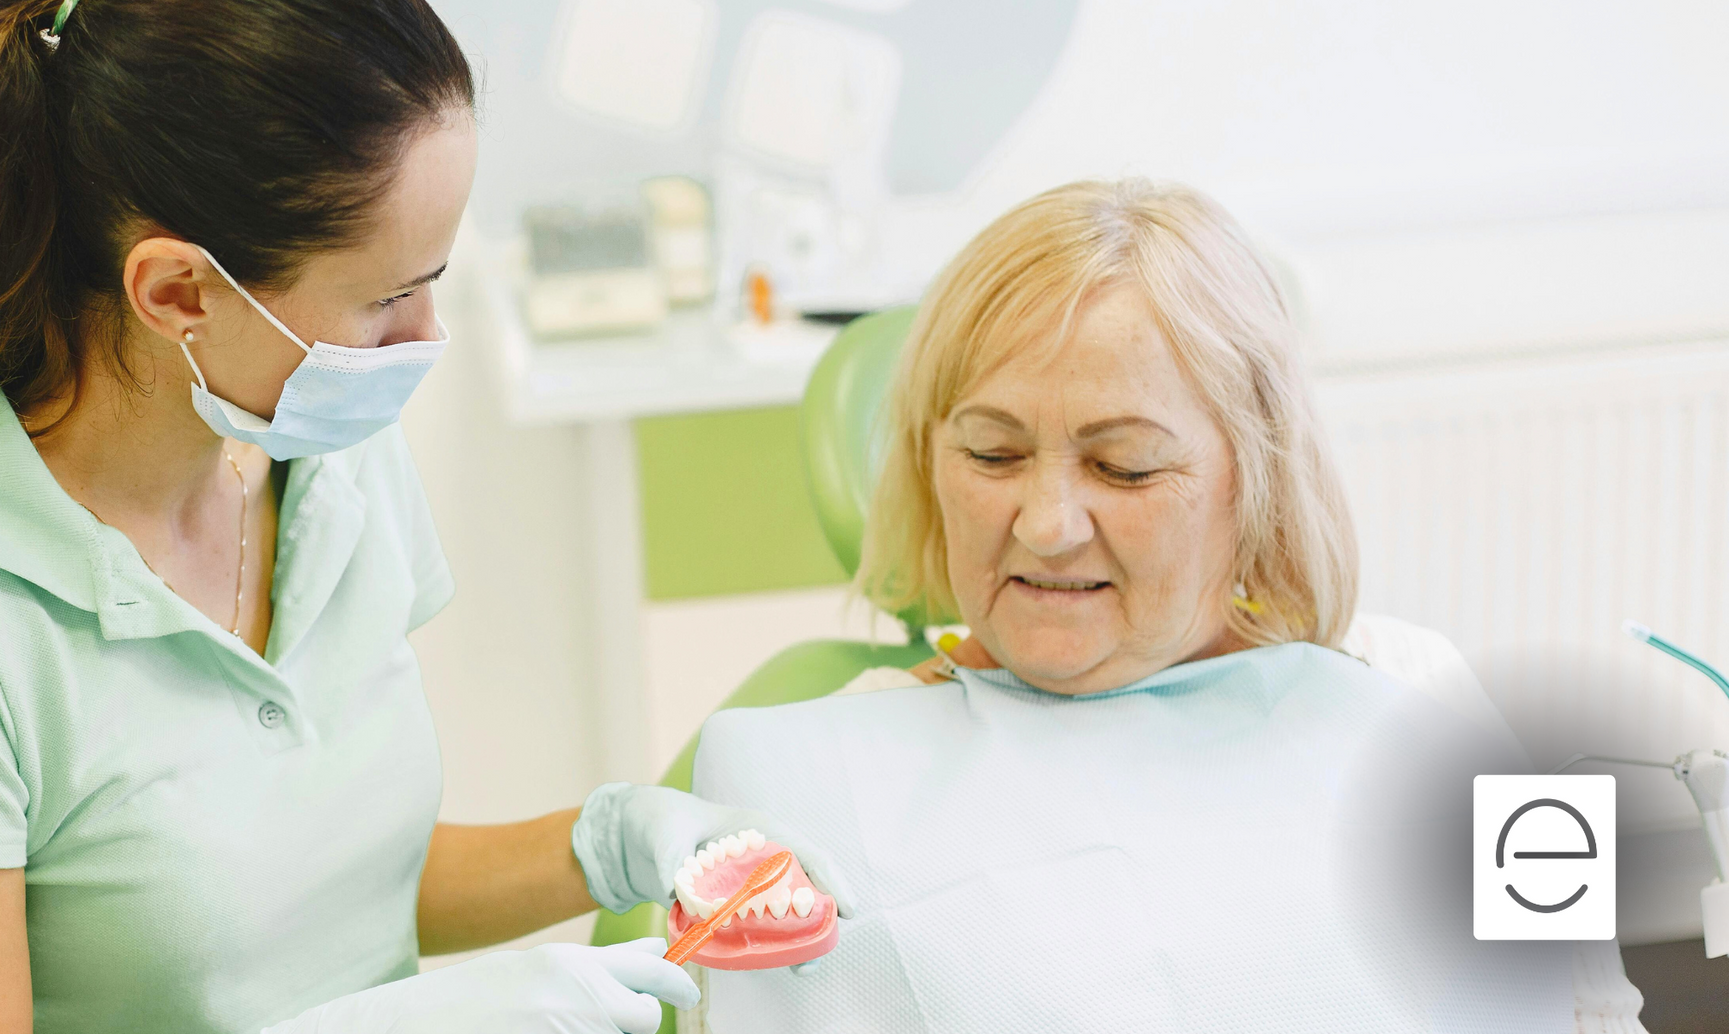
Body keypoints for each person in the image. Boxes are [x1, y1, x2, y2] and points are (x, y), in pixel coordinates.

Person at [0, 0, 849, 1032]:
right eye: (388, 297)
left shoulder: (329, 468)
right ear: (178, 292)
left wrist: (610, 842)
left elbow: (336, 887)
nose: (424, 339)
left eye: (434, 281)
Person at [677, 178, 1649, 1032]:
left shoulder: (1425, 684)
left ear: (1254, 479)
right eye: (992, 454)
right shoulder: (828, 777)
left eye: (1126, 466)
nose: (1048, 523)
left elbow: (1600, 1014)